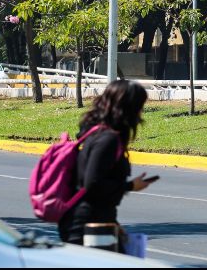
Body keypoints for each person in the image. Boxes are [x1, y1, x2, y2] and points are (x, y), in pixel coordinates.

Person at [58, 80, 157, 250]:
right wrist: (131, 185)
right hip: (86, 225)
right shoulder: (108, 140)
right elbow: (92, 184)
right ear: (127, 108)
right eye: (139, 106)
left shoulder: (101, 134)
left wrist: (114, 223)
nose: (141, 112)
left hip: (96, 220)